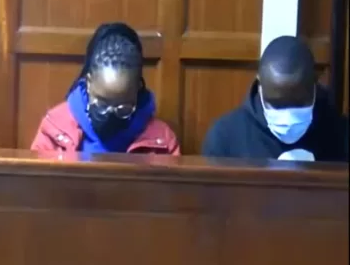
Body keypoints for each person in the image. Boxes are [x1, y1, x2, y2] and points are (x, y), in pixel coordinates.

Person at [30, 22, 179, 154]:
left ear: (137, 90)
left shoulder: (163, 142)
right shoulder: (54, 129)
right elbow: (35, 183)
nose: (110, 115)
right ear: (88, 83)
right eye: (101, 104)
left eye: (123, 109)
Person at [202, 36, 348, 162]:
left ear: (315, 83)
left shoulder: (341, 135)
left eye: (299, 104)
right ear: (260, 86)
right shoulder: (225, 138)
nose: (288, 116)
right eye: (276, 105)